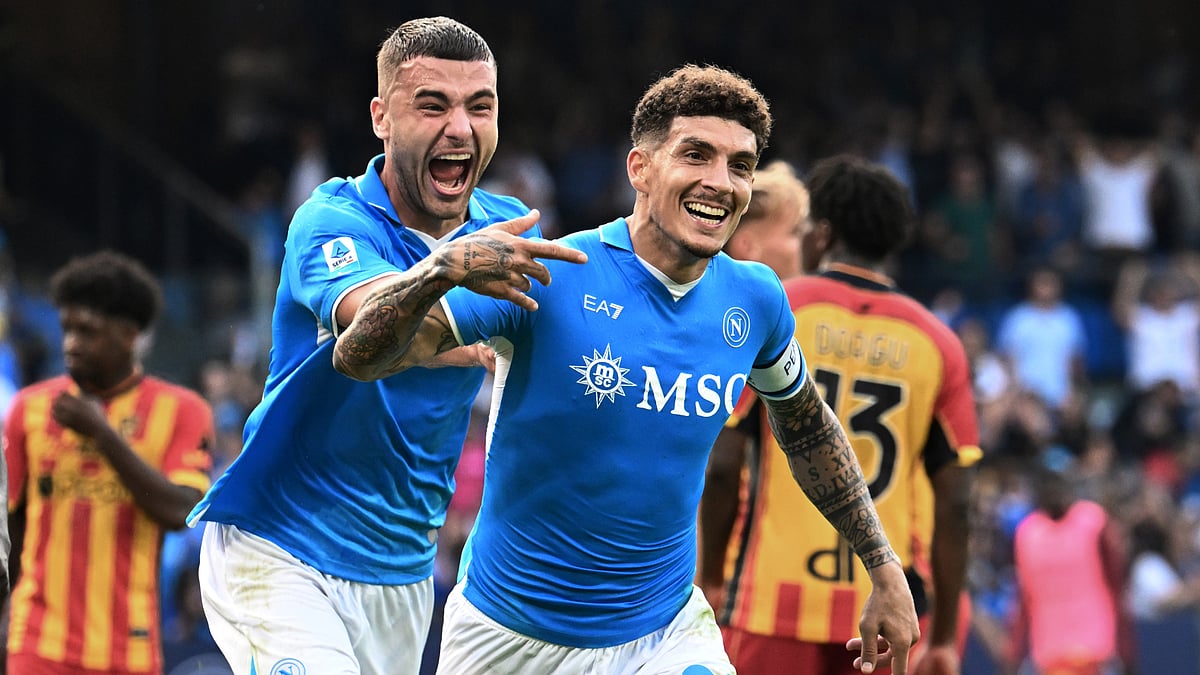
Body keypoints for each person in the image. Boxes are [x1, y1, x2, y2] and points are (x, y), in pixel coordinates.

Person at [334, 64, 920, 675]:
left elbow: (807, 426)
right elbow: (357, 358)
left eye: (739, 165)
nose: (720, 182)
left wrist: (884, 569)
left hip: (662, 637)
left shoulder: (758, 299)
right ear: (639, 168)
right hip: (506, 638)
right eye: (696, 155)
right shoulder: (549, 272)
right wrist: (436, 273)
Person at [186, 17, 573, 675]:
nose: (460, 127)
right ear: (380, 118)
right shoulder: (333, 221)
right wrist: (444, 271)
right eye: (433, 104)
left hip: (401, 574)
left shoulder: (502, 227)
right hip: (282, 548)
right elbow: (367, 333)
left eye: (480, 106)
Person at [699, 154, 981, 675]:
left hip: (769, 602)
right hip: (886, 613)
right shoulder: (938, 344)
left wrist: (709, 578)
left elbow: (721, 464)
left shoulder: (780, 308)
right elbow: (957, 501)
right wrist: (942, 638)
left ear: (822, 235)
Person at [3, 250, 214, 674]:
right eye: (66, 329)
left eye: (87, 332)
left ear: (129, 334)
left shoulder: (182, 410)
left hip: (129, 650)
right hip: (38, 642)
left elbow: (179, 511)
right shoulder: (29, 408)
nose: (70, 345)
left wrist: (101, 434)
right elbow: (13, 523)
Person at [1005, 463, 1136, 675]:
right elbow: (1024, 597)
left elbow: (1117, 586)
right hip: (1050, 649)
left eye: (1059, 485)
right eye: (1048, 487)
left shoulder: (1094, 522)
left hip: (1094, 646)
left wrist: (1126, 649)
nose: (1055, 492)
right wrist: (1013, 653)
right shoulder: (1028, 533)